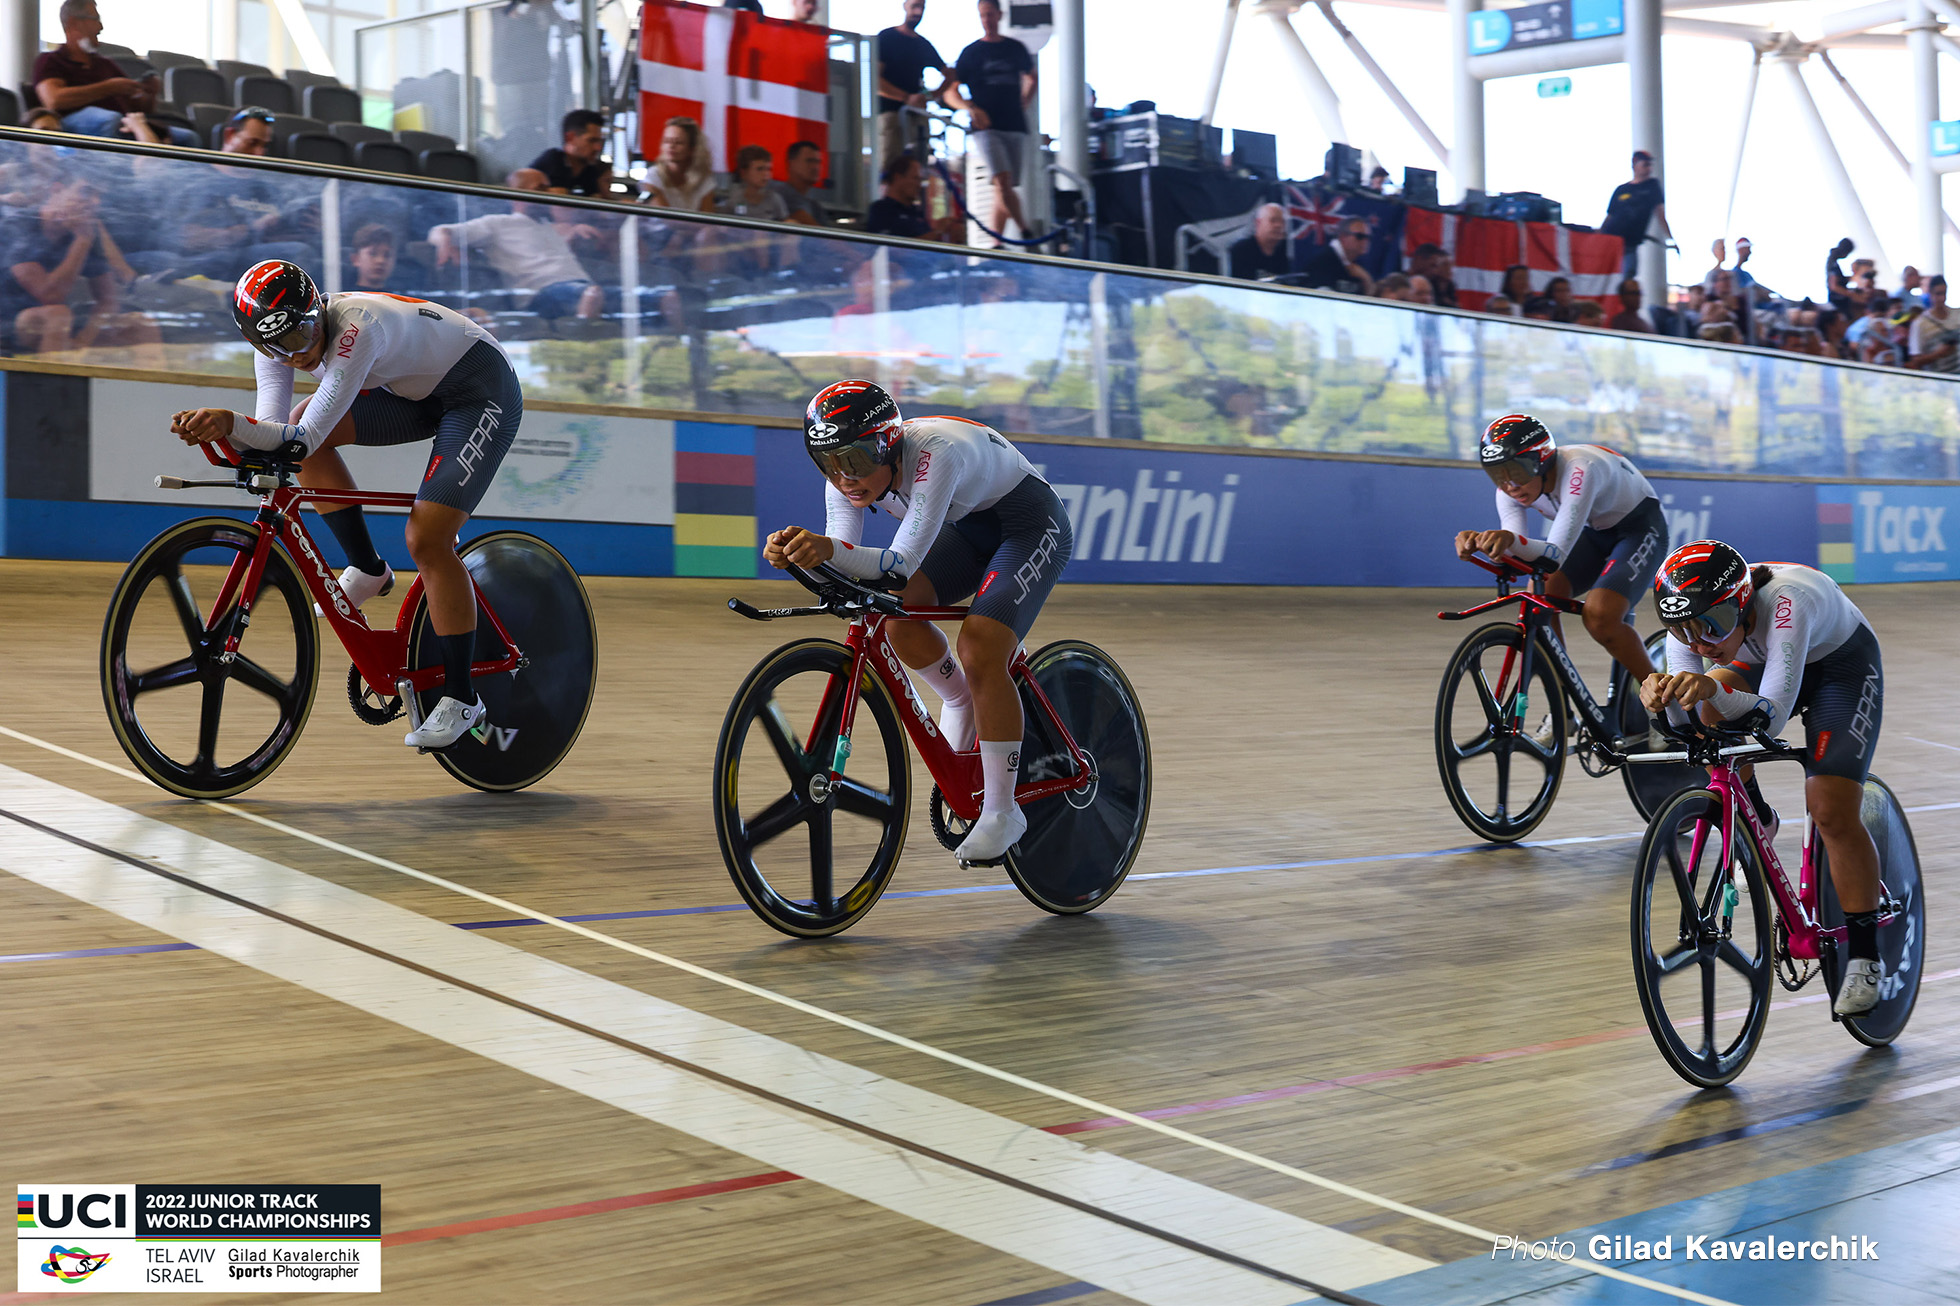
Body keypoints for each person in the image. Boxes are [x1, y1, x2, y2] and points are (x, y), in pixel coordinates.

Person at [170, 260, 521, 750]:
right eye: (284, 345)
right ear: (259, 344)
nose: (302, 349)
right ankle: (368, 568)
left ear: (319, 307)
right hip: (413, 393)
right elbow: (277, 437)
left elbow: (302, 440)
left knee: (427, 538)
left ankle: (463, 699)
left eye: (308, 330)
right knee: (294, 429)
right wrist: (230, 433)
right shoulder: (275, 347)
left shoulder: (356, 327)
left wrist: (231, 422)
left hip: (480, 391)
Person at [764, 379, 1074, 864]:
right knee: (897, 619)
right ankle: (962, 696)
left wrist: (825, 551)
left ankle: (1002, 810)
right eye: (830, 464)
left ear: (888, 444)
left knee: (980, 646)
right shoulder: (846, 475)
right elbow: (843, 556)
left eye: (857, 461)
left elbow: (900, 561)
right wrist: (799, 553)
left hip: (1028, 522)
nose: (846, 477)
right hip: (966, 529)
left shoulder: (935, 454)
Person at [1641, 541, 1888, 1016]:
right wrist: (1662, 695)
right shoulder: (1688, 625)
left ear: (1742, 603)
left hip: (1841, 670)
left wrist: (1710, 684)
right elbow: (1684, 719)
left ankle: (1865, 954)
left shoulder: (1787, 603)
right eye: (1684, 629)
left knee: (1831, 809)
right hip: (1763, 662)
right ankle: (1758, 814)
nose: (1699, 642)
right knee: (1705, 703)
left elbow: (1769, 719)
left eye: (1712, 625)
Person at [1455, 415, 1668, 740]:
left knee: (1599, 616)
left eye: (1517, 471)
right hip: (1595, 531)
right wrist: (1484, 544)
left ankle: (1667, 711)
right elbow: (1519, 550)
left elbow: (1552, 553)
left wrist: (1509, 542)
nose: (1510, 484)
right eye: (1498, 474)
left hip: (1639, 527)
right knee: (1538, 597)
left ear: (1542, 461)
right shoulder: (1508, 491)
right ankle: (1563, 712)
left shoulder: (1580, 471)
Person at [1, 176, 161, 363]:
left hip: (60, 324)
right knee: (58, 315)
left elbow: (108, 300)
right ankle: (52, 389)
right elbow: (50, 295)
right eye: (86, 192)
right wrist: (83, 240)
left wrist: (83, 340)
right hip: (8, 326)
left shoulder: (84, 228)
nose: (95, 202)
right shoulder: (19, 226)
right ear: (57, 190)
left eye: (99, 196)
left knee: (141, 324)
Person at [428, 169, 604, 324]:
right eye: (540, 188)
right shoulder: (498, 223)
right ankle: (584, 340)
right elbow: (439, 230)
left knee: (624, 298)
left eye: (548, 188)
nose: (549, 193)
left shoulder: (550, 229)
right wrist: (444, 241)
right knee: (592, 294)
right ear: (517, 193)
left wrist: (576, 231)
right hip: (540, 295)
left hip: (581, 288)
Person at [33, 1, 194, 145]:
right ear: (74, 23)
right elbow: (54, 100)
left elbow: (138, 107)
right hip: (74, 124)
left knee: (188, 137)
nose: (100, 28)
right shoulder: (51, 60)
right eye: (95, 19)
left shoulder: (105, 64)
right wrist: (109, 87)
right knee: (108, 119)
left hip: (123, 124)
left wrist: (148, 94)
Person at [952, 0, 1036, 247]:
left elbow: (1032, 77)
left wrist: (1024, 102)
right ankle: (1026, 232)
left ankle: (995, 243)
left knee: (1006, 186)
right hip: (986, 128)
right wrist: (971, 108)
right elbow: (951, 91)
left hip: (1014, 124)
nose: (986, 19)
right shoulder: (971, 53)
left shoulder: (1015, 48)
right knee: (1002, 181)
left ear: (999, 15)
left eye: (990, 14)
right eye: (982, 15)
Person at [877, 0, 962, 166]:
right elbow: (876, 80)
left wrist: (930, 96)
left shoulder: (922, 44)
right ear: (905, 5)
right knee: (890, 165)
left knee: (918, 165)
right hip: (891, 113)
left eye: (922, 7)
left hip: (917, 116)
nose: (917, 12)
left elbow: (950, 74)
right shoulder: (887, 38)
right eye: (914, 6)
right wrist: (906, 97)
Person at [1599, 150, 1668, 279]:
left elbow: (1660, 215)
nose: (1649, 169)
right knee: (1611, 275)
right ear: (1635, 165)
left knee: (1628, 274)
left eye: (1650, 165)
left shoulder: (1652, 186)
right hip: (1612, 239)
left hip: (1630, 242)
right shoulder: (1622, 190)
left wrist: (1669, 238)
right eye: (1645, 165)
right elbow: (1610, 216)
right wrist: (1599, 235)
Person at [864, 151, 957, 240]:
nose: (919, 185)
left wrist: (951, 234)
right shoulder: (881, 210)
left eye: (920, 180)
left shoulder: (916, 213)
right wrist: (938, 232)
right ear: (898, 178)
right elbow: (893, 250)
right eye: (915, 178)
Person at [640, 115, 717, 213]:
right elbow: (666, 217)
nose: (671, 146)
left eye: (679, 142)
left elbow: (708, 218)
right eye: (667, 141)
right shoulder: (653, 176)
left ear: (692, 148)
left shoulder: (704, 180)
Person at [529, 108, 614, 196]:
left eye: (599, 141)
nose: (598, 147)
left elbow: (596, 200)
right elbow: (559, 206)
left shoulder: (588, 169)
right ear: (570, 137)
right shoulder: (554, 161)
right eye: (591, 140)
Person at [1300, 217, 1373, 296]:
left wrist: (1366, 279)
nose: (1365, 241)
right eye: (1360, 236)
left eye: (1368, 237)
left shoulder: (1357, 264)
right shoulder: (1324, 262)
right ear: (1343, 237)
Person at [1906, 274, 1960, 372]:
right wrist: (1939, 354)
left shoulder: (1957, 314)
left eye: (1944, 293)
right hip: (1938, 377)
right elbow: (1916, 360)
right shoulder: (1920, 323)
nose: (1942, 298)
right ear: (1930, 294)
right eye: (1938, 294)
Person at [773, 140, 832, 226]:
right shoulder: (780, 195)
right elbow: (815, 231)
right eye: (809, 161)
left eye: (818, 162)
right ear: (791, 164)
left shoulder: (815, 206)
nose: (815, 167)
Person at [1227, 203, 1289, 281]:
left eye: (1282, 221)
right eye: (1273, 220)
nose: (1278, 225)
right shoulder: (1241, 251)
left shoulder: (1287, 251)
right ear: (1258, 223)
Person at [1409, 243, 1457, 307]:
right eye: (1432, 265)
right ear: (1419, 260)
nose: (1435, 272)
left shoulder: (1437, 285)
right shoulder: (1400, 281)